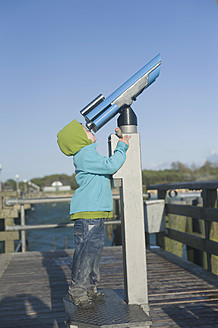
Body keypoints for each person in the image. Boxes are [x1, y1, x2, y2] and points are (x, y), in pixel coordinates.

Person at [57, 119, 130, 308]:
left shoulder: (89, 154)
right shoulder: (85, 155)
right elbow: (110, 165)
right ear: (80, 140)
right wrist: (122, 147)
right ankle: (77, 292)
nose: (90, 130)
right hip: (88, 213)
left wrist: (118, 138)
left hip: (95, 213)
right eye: (85, 130)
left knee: (94, 254)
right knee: (85, 254)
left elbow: (104, 164)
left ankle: (89, 288)